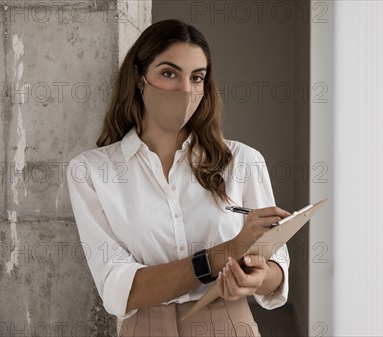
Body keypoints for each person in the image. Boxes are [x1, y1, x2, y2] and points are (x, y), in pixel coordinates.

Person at [66, 19, 291, 336]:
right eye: (169, 73)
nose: (185, 89)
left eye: (196, 77)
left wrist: (257, 276)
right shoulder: (91, 171)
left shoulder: (243, 161)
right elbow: (119, 289)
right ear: (139, 78)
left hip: (229, 324)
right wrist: (227, 252)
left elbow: (276, 268)